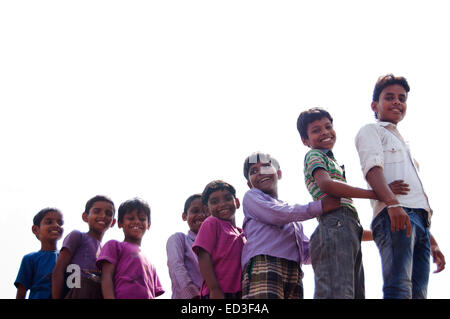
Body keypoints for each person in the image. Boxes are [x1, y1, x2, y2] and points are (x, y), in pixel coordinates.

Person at [297, 107, 410, 299]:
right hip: (333, 226)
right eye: (316, 130)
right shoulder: (314, 155)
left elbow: (352, 229)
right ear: (305, 140)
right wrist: (377, 193)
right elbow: (327, 185)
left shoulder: (332, 161)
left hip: (346, 228)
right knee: (338, 292)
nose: (325, 132)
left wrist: (381, 234)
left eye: (328, 126)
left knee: (354, 293)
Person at [355, 74, 446, 299]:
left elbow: (415, 195)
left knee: (418, 292)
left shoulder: (403, 143)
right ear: (375, 105)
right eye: (390, 97)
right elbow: (372, 170)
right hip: (395, 214)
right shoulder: (371, 131)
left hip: (420, 222)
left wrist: (432, 241)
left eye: (402, 98)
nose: (397, 102)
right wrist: (393, 203)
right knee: (399, 287)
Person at [241, 152, 341, 299]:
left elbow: (307, 251)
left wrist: (336, 237)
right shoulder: (252, 198)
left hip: (294, 271)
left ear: (279, 173)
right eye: (253, 171)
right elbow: (277, 215)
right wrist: (320, 206)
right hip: (265, 263)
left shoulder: (293, 219)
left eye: (266, 166)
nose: (261, 173)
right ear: (250, 184)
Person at [97, 198, 164, 299]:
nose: (137, 222)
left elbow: (152, 293)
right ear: (120, 223)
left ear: (148, 225)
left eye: (142, 219)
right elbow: (106, 277)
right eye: (131, 218)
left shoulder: (150, 262)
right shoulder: (114, 245)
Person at [52, 195, 116, 299]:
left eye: (108, 213)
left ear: (113, 222)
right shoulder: (78, 236)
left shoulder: (106, 251)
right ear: (85, 216)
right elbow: (58, 270)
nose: (103, 216)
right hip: (76, 291)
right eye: (97, 211)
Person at [192, 180, 245, 299]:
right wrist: (214, 288)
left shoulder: (242, 232)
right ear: (207, 210)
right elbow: (203, 256)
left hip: (239, 294)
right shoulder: (211, 223)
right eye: (215, 202)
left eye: (227, 198)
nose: (222, 204)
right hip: (217, 293)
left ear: (236, 202)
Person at [15, 208, 64, 299]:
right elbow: (21, 293)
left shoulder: (66, 258)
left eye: (60, 223)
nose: (56, 225)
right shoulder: (30, 259)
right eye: (49, 222)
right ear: (35, 229)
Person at [166, 193, 207, 299]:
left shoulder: (215, 243)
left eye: (206, 211)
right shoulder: (179, 239)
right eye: (195, 211)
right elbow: (176, 266)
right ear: (184, 216)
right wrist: (192, 294)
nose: (202, 215)